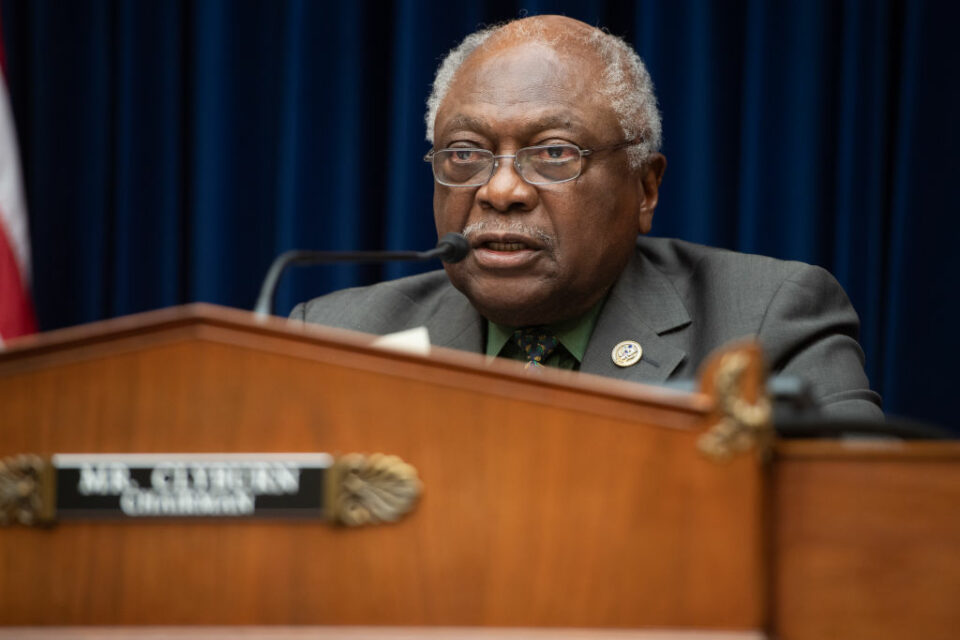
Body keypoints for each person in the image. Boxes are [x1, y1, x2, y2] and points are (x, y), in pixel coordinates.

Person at [291, 15, 882, 420]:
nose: (500, 189)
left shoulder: (767, 321)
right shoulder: (337, 337)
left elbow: (868, 536)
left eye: (553, 153)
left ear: (645, 188)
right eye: (465, 153)